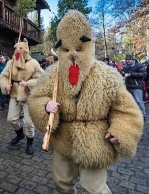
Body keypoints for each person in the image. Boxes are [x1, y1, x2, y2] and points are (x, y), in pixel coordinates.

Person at [28, 10, 143, 194]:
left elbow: (126, 111)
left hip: (96, 142)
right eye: (66, 49)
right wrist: (44, 106)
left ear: (89, 46)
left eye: (79, 49)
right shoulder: (51, 74)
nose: (72, 54)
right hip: (63, 140)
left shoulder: (107, 76)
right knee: (61, 184)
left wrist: (122, 131)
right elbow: (36, 98)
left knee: (94, 189)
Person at [0, 38, 43, 155]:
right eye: (16, 49)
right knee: (11, 119)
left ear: (26, 50)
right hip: (15, 94)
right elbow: (3, 76)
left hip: (29, 96)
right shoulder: (11, 62)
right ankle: (20, 134)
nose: (18, 51)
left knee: (28, 122)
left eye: (20, 49)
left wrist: (28, 83)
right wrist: (6, 85)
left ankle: (30, 142)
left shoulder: (34, 63)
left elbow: (42, 78)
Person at [122, 54, 147, 119]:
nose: (127, 61)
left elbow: (143, 74)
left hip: (136, 86)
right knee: (131, 102)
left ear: (132, 60)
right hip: (128, 86)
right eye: (126, 60)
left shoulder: (138, 65)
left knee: (139, 101)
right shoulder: (125, 66)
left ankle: (143, 115)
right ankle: (133, 115)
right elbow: (124, 74)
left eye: (129, 60)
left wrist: (132, 74)